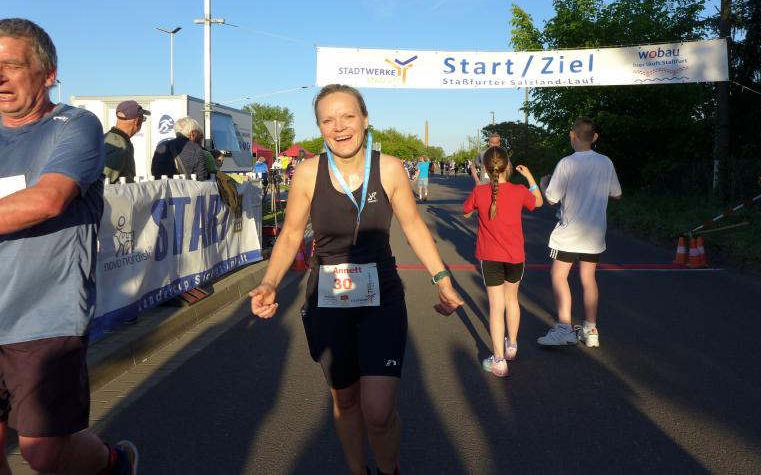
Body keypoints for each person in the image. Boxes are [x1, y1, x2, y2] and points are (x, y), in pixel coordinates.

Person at [249, 84, 464, 475]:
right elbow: (292, 234)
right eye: (328, 120)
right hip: (328, 300)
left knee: (378, 412)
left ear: (365, 120)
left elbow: (413, 226)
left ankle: (387, 468)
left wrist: (442, 277)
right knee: (346, 401)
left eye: (348, 116)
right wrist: (269, 283)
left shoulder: (389, 168)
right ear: (319, 127)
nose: (339, 127)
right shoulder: (308, 172)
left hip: (382, 296)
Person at [0, 18, 137, 474]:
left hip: (45, 315)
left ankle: (112, 464)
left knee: (42, 452)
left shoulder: (74, 125)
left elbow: (49, 199)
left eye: (12, 65)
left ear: (48, 73)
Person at [537, 117, 622, 348]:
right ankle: (590, 329)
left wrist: (544, 184)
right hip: (594, 232)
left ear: (572, 135)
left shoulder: (566, 163)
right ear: (595, 137)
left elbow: (551, 199)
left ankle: (564, 328)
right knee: (588, 278)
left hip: (569, 233)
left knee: (558, 275)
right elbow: (616, 193)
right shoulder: (605, 162)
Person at [463, 147, 543, 376]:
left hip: (490, 257)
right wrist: (529, 177)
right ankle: (512, 346)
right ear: (508, 166)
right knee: (512, 300)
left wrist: (478, 195)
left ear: (486, 169)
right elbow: (538, 202)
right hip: (515, 256)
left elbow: (466, 212)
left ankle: (498, 360)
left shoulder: (480, 191)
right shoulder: (519, 190)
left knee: (496, 306)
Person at [103, 100, 148, 184]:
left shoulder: (106, 138)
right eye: (143, 119)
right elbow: (103, 184)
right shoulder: (119, 147)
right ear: (137, 121)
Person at [150, 116, 209, 180]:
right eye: (199, 134)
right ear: (193, 133)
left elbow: (154, 173)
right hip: (187, 185)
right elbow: (202, 177)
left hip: (163, 185)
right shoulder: (195, 148)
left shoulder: (161, 146)